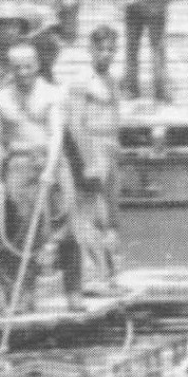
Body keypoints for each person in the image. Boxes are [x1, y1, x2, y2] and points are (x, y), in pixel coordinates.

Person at [0, 42, 84, 312]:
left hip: (50, 159)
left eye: (28, 66)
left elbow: (56, 135)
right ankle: (23, 293)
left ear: (37, 66)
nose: (23, 72)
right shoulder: (1, 99)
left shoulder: (53, 94)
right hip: (18, 162)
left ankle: (73, 291)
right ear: (9, 68)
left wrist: (50, 170)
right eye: (17, 68)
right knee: (20, 229)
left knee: (65, 227)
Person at [66, 23, 124, 293]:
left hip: (110, 146)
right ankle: (92, 276)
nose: (107, 54)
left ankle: (110, 274)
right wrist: (87, 160)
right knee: (91, 213)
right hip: (92, 146)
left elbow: (114, 114)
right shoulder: (81, 81)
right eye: (101, 49)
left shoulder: (112, 80)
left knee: (111, 215)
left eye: (111, 49)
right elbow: (76, 123)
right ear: (91, 49)